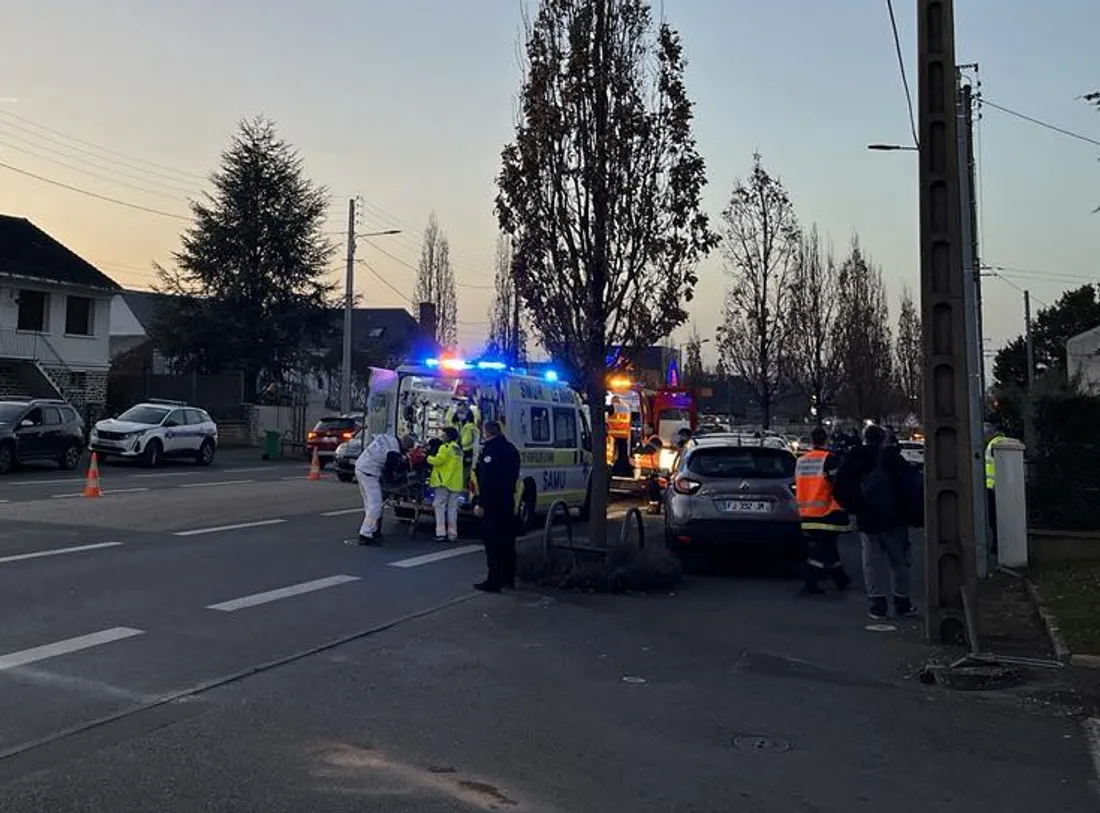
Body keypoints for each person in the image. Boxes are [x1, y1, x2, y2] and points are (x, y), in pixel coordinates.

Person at [834, 423, 918, 620]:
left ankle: (877, 604)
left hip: (868, 518)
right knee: (899, 561)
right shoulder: (893, 459)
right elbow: (911, 486)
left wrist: (856, 507)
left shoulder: (855, 457)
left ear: (865, 438)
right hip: (894, 517)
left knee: (872, 560)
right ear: (884, 439)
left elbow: (841, 486)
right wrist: (911, 513)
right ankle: (902, 602)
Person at [795, 426, 853, 594]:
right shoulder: (829, 459)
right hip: (826, 511)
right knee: (821, 549)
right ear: (826, 440)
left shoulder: (802, 460)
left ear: (812, 440)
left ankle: (840, 577)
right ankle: (811, 580)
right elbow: (837, 483)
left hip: (806, 512)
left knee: (828, 547)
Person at [473, 420, 521, 593]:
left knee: (493, 543)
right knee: (507, 542)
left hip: (493, 504)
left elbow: (488, 481)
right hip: (507, 502)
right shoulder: (511, 449)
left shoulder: (490, 451)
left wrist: (481, 503)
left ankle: (494, 581)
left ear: (487, 433)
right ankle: (509, 578)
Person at [354, 433, 413, 546]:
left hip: (361, 467)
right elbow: (390, 469)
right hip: (369, 472)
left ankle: (373, 530)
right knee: (376, 505)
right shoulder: (393, 451)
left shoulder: (389, 439)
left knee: (369, 504)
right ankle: (365, 534)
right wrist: (393, 482)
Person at [427, 426, 464, 543]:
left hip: (444, 482)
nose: (442, 437)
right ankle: (452, 534)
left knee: (439, 507)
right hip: (455, 482)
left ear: (448, 436)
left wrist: (427, 457)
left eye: (443, 435)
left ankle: (441, 533)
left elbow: (438, 461)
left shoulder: (445, 447)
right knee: (452, 509)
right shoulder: (457, 448)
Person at [984, 425, 1008, 552]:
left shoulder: (993, 445)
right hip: (1002, 487)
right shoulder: (1002, 442)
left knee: (994, 518)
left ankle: (997, 545)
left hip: (993, 487)